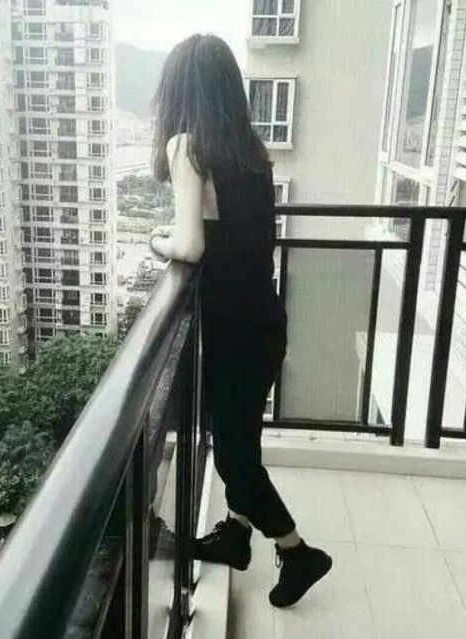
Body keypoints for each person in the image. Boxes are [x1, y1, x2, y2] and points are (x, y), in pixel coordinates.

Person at [148, 34, 332, 608]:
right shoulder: (248, 151)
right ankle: (235, 535)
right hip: (263, 321)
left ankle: (298, 551)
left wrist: (157, 242)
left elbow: (190, 246)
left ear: (179, 91)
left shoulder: (188, 147)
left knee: (233, 455)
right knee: (242, 440)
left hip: (232, 332)